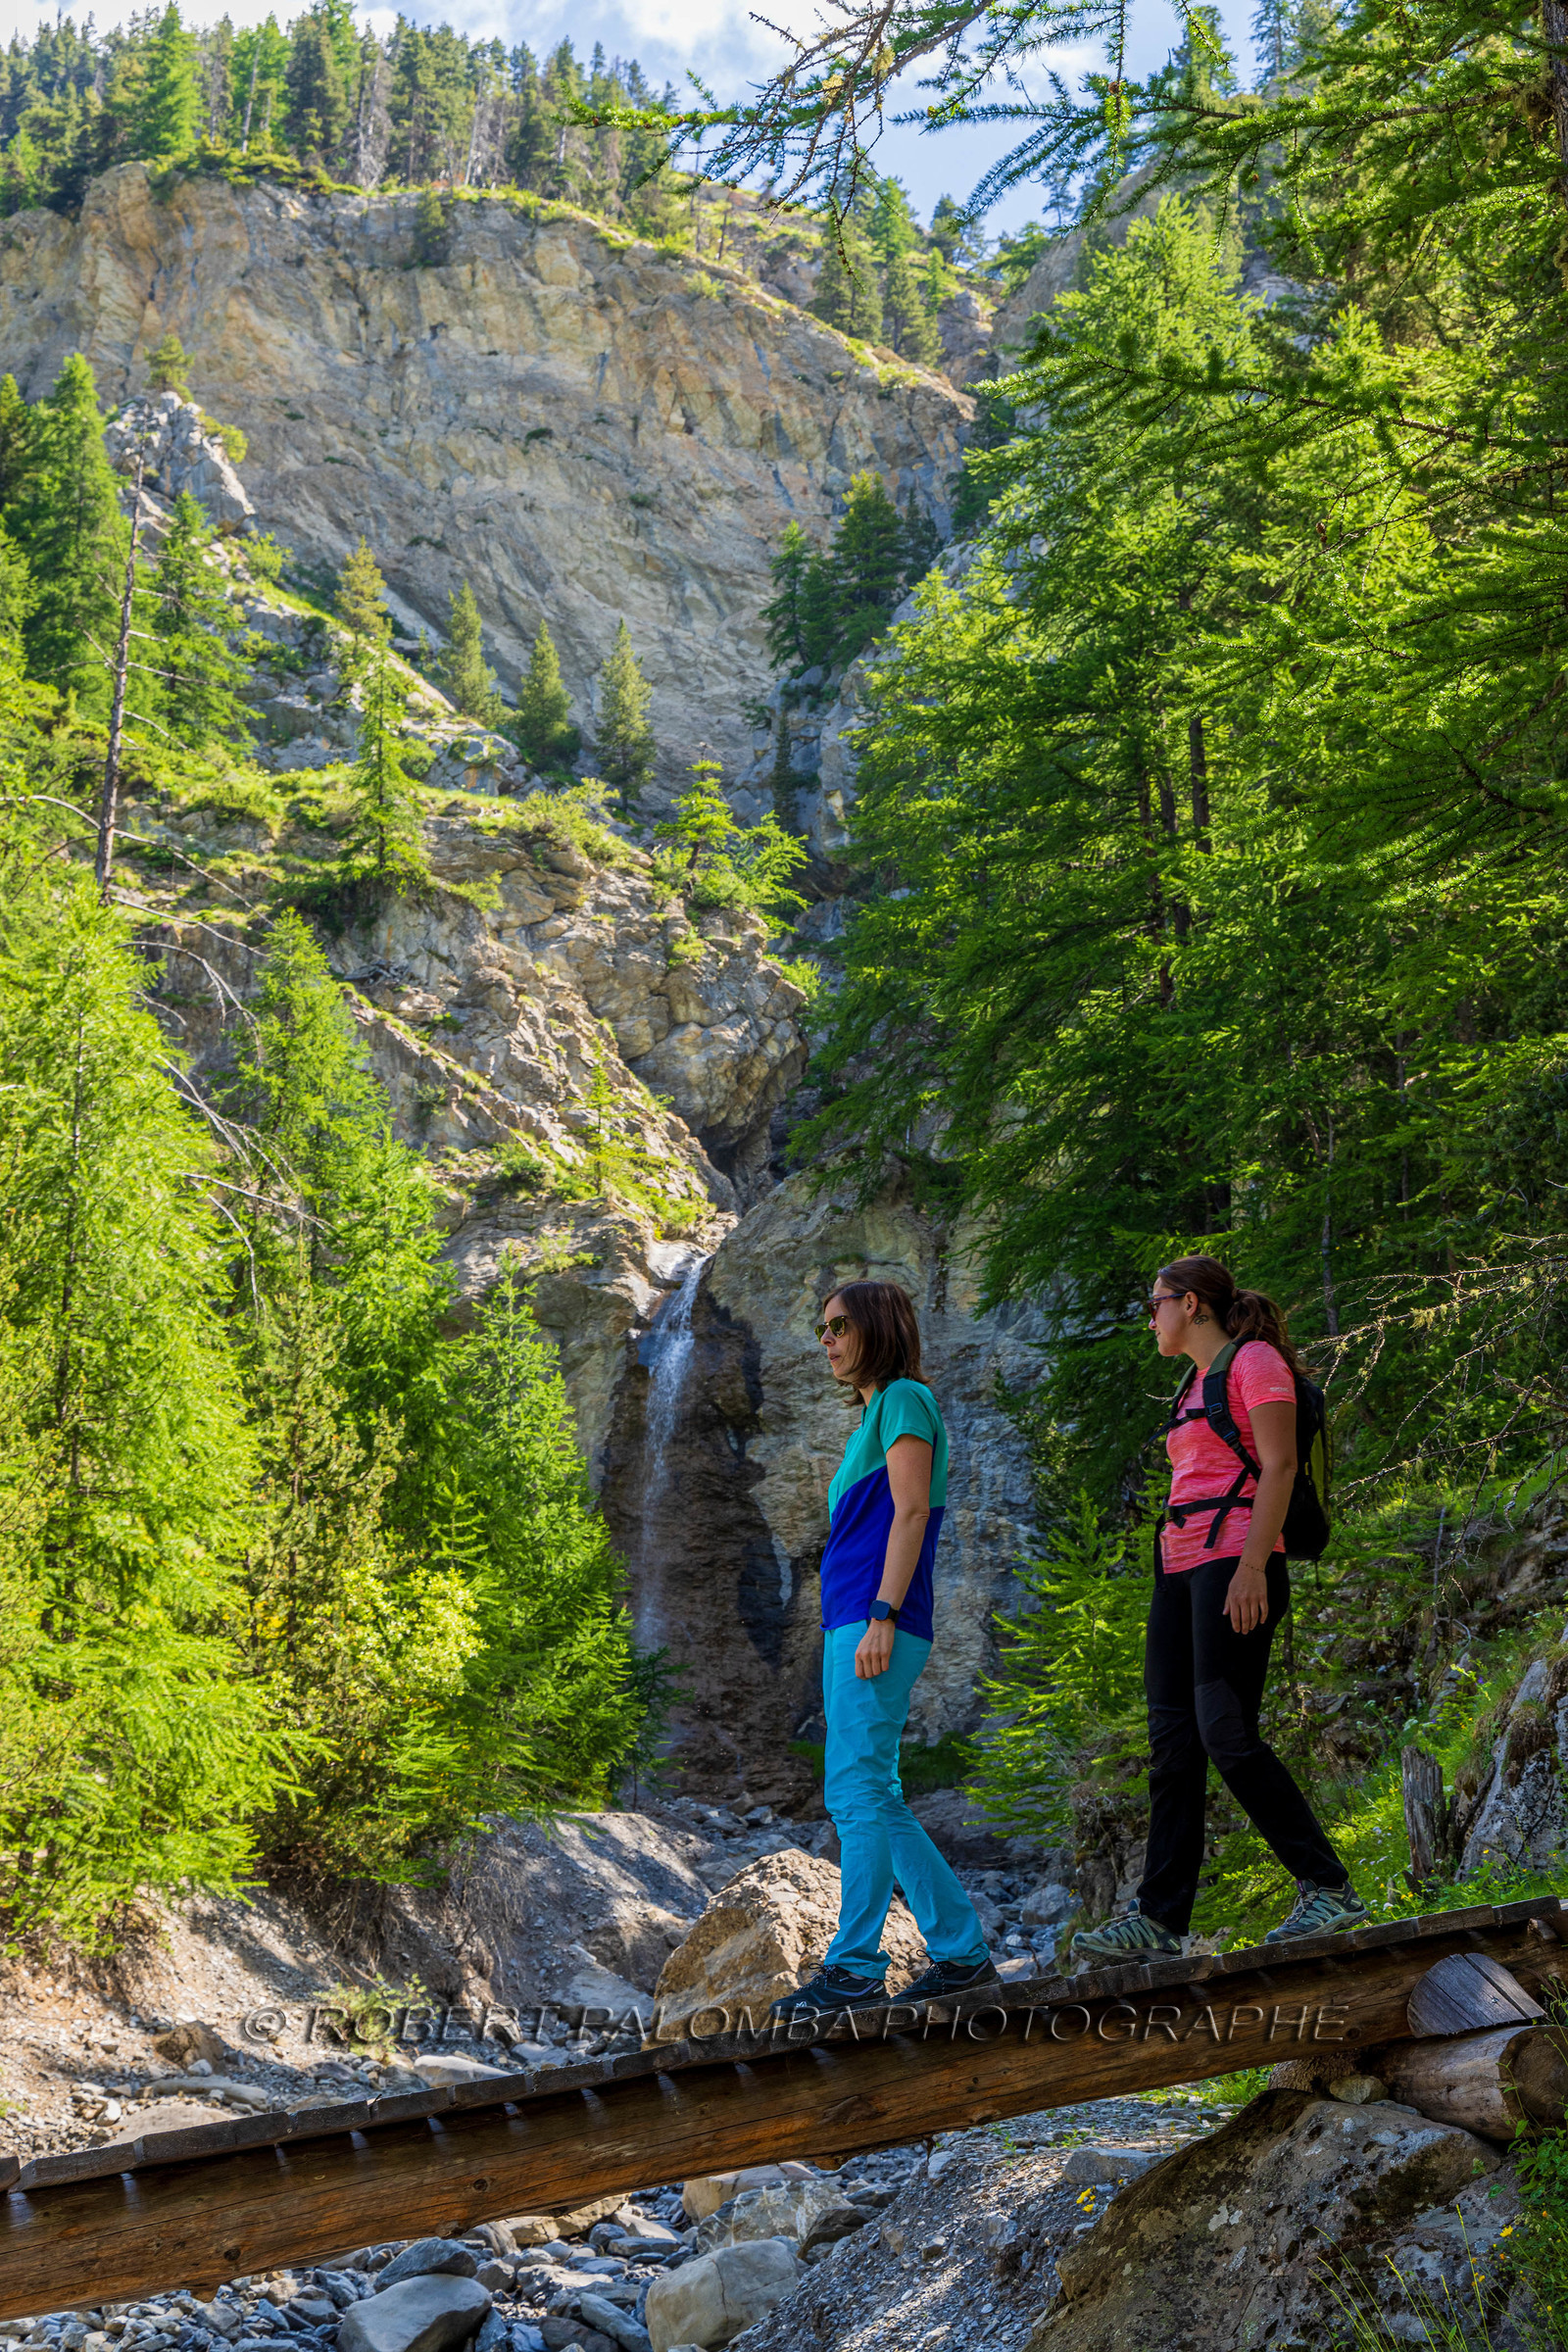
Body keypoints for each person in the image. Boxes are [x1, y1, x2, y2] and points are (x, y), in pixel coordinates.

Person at [1072, 1254, 1366, 1961]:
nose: (1151, 1317)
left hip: (1234, 1564)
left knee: (1225, 1732)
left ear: (1192, 1304)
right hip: (1178, 1573)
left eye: (1156, 1303)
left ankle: (1329, 1888)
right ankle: (1159, 1920)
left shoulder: (1254, 1361)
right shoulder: (1191, 1384)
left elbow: (1281, 1465)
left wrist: (1253, 1567)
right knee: (1173, 1746)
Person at [770, 1281, 996, 2018]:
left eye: (839, 1326)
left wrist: (882, 1614)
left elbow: (912, 1511)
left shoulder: (904, 1398)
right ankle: (961, 1953)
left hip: (876, 1620)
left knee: (855, 1790)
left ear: (876, 1328)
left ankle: (856, 1966)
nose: (826, 1340)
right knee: (874, 1791)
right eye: (822, 1328)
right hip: (855, 1619)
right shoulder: (872, 1417)